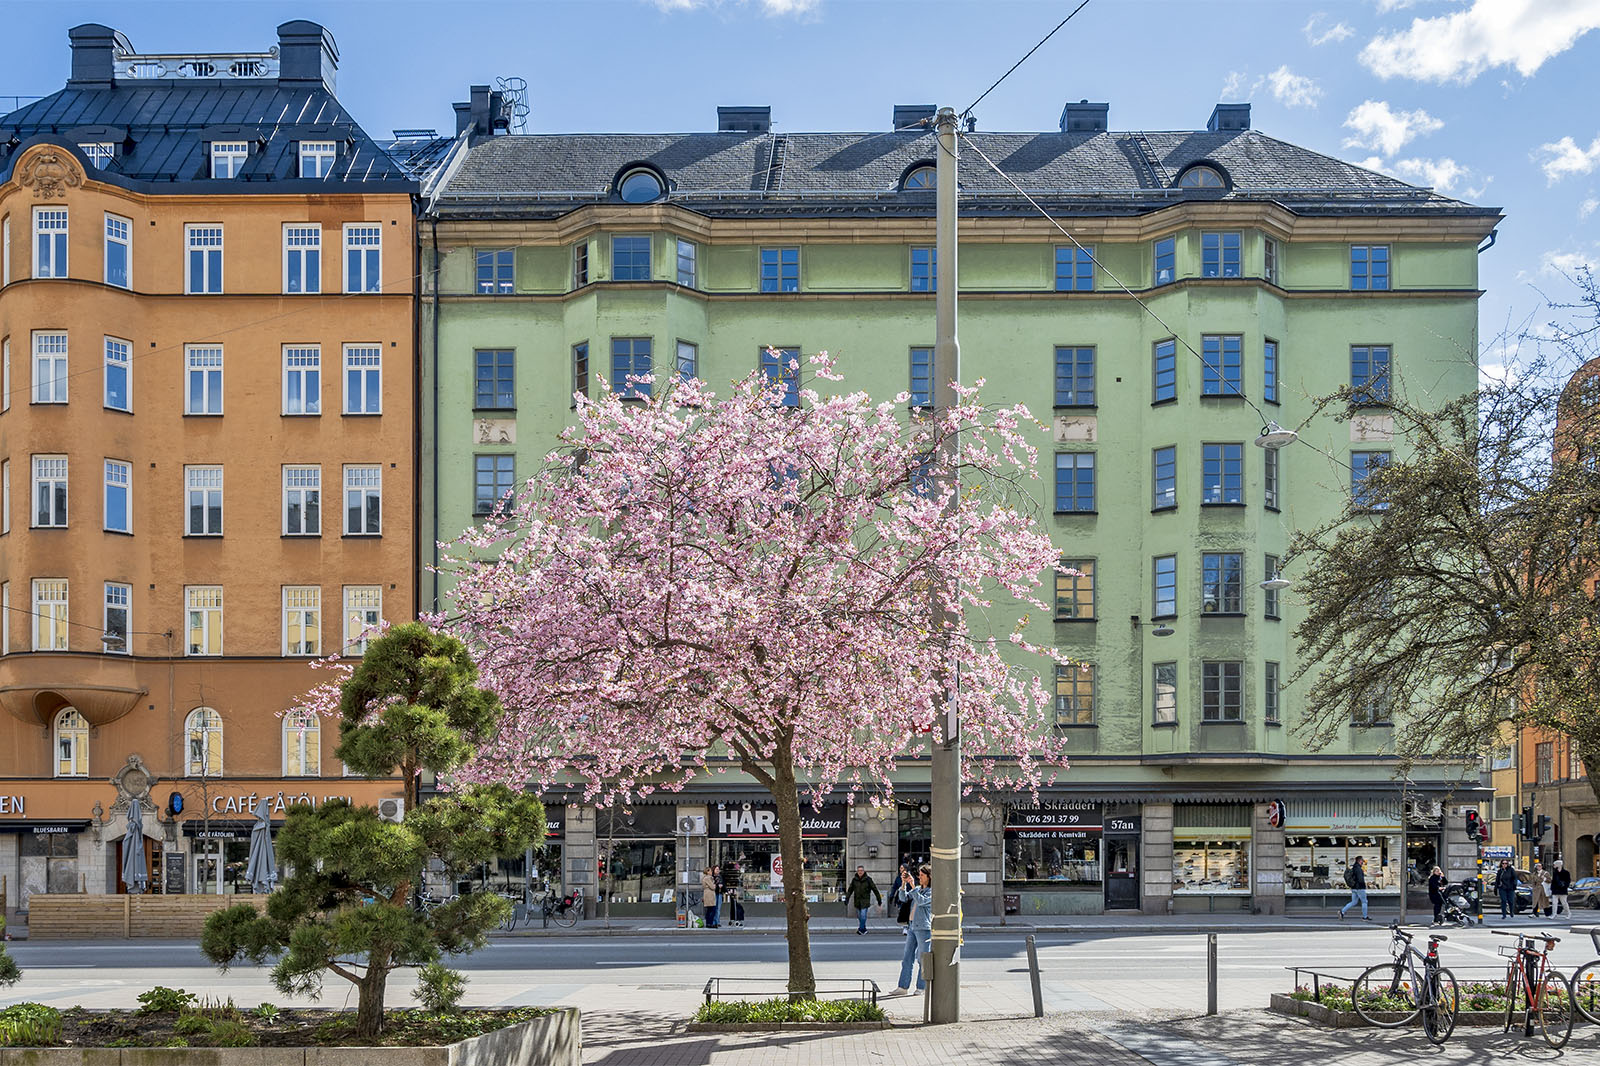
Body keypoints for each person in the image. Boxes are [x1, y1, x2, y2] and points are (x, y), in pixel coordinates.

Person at [885, 865, 932, 996]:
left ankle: (921, 987)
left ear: (929, 877)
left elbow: (922, 902)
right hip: (912, 927)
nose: (919, 877)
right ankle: (903, 987)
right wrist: (904, 884)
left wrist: (912, 885)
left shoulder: (931, 891)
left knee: (922, 959)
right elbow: (903, 898)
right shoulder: (916, 889)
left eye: (922, 875)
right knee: (907, 958)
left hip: (923, 928)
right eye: (919, 875)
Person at [846, 864, 883, 935]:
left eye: (861, 871)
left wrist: (879, 900)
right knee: (860, 917)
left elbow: (875, 889)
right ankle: (864, 929)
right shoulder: (854, 880)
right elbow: (850, 890)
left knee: (863, 916)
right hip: (857, 901)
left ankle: (860, 929)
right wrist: (847, 898)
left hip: (865, 901)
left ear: (864, 871)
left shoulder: (868, 879)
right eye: (858, 871)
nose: (860, 872)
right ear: (857, 872)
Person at [1338, 857, 1370, 921]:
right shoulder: (1358, 869)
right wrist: (1363, 885)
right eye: (1362, 861)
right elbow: (1360, 879)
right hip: (1359, 888)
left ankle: (1342, 911)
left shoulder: (1353, 867)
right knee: (1364, 902)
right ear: (1359, 861)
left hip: (1354, 888)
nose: (1363, 862)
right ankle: (1365, 917)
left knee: (1354, 902)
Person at [723, 862, 745, 928]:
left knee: (734, 905)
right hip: (734, 890)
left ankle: (734, 918)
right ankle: (737, 918)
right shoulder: (733, 874)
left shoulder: (725, 874)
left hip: (731, 890)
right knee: (736, 906)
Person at [700, 865, 720, 929]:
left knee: (709, 910)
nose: (711, 872)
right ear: (707, 872)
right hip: (710, 895)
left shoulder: (705, 878)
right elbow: (713, 887)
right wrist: (715, 884)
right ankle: (710, 923)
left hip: (707, 894)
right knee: (712, 909)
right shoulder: (708, 878)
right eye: (710, 871)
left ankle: (709, 923)